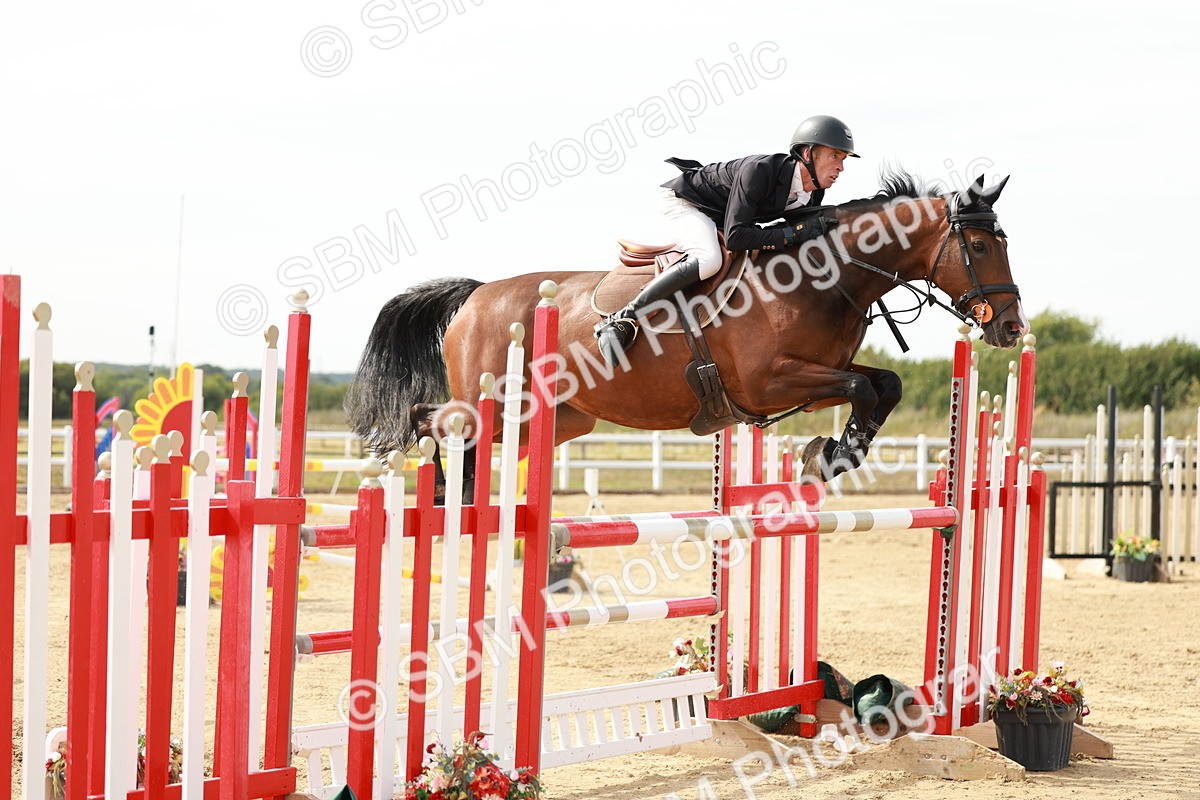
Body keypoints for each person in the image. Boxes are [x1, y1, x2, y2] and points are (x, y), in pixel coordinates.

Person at [594, 114, 859, 366]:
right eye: (835, 156)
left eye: (844, 158)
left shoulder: (812, 193)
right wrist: (791, 234)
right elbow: (736, 237)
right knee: (708, 259)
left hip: (722, 215)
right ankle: (621, 319)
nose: (841, 167)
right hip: (687, 203)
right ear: (808, 154)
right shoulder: (760, 171)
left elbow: (791, 236)